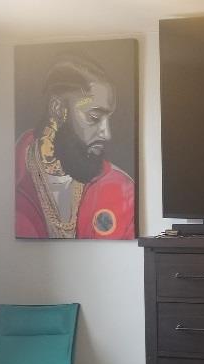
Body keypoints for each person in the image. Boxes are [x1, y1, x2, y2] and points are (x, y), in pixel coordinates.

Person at [15, 55, 135, 239]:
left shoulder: (121, 190)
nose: (106, 134)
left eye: (108, 119)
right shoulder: (10, 178)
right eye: (94, 117)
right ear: (58, 109)